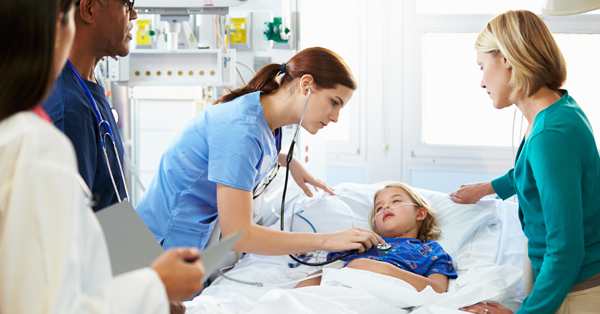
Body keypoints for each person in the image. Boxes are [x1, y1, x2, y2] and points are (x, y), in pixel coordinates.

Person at [0, 0, 205, 313]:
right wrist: (153, 288)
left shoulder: (85, 93)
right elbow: (55, 297)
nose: (134, 14)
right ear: (85, 11)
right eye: (127, 3)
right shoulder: (53, 124)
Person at [136, 47, 386, 256]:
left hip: (183, 240)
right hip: (157, 244)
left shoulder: (264, 117)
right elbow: (239, 235)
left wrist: (289, 162)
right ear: (306, 84)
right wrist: (328, 240)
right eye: (334, 102)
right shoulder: (241, 129)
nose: (336, 118)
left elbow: (240, 155)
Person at [450, 10, 600, 314]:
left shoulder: (550, 135)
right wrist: (487, 188)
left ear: (505, 58)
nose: (481, 82)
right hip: (550, 271)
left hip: (574, 288)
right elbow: (534, 172)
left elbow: (566, 250)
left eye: (482, 66)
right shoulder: (561, 108)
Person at [42, 0, 137, 212]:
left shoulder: (88, 89)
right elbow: (69, 227)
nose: (134, 15)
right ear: (89, 9)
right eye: (127, 4)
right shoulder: (68, 110)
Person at [295, 183, 457, 292]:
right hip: (340, 292)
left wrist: (384, 269)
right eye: (379, 207)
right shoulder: (362, 243)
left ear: (420, 213)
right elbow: (325, 274)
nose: (385, 206)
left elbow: (438, 289)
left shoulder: (429, 250)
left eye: (396, 200)